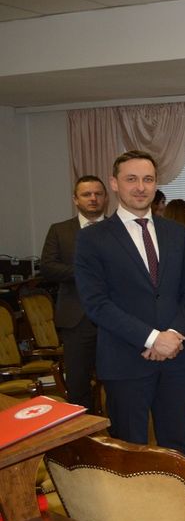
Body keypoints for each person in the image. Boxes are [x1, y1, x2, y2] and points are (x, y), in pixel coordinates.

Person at [75, 151, 185, 454]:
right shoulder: (92, 238)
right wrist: (153, 338)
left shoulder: (176, 233)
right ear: (114, 183)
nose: (141, 187)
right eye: (131, 179)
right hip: (125, 360)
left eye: (148, 179)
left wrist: (173, 335)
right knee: (129, 453)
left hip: (176, 358)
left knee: (176, 450)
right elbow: (96, 303)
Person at [39, 175, 107, 411]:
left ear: (106, 198)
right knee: (78, 385)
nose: (93, 198)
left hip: (115, 318)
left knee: (118, 383)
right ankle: (84, 431)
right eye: (86, 194)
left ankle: (118, 431)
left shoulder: (119, 228)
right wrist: (84, 273)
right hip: (76, 320)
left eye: (98, 194)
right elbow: (48, 267)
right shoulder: (59, 230)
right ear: (75, 199)